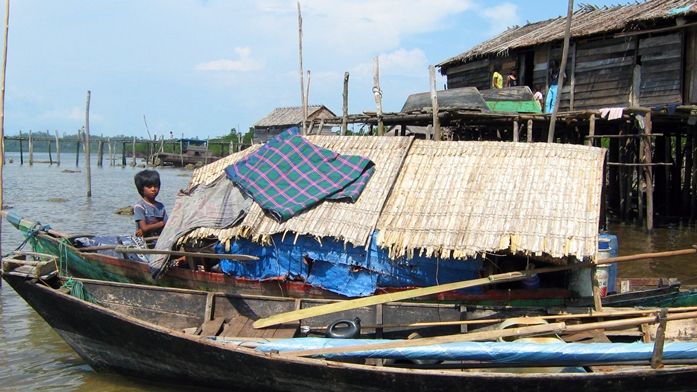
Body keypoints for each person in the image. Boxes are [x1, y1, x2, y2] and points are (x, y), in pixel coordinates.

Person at [133, 169, 168, 238]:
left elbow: (168, 225)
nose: (153, 189)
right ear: (141, 189)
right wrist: (161, 223)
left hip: (159, 240)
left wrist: (163, 224)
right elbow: (144, 228)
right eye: (149, 187)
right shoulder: (140, 206)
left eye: (156, 186)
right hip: (145, 242)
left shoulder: (161, 206)